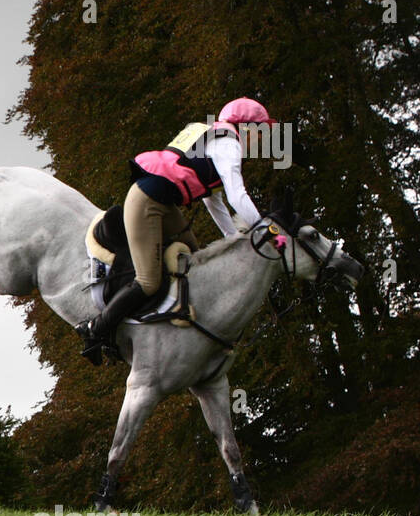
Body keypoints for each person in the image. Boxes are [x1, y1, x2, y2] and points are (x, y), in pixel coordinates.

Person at [75, 97, 274, 364]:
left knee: (196, 258)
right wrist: (264, 231)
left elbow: (211, 199)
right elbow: (237, 195)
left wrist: (234, 237)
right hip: (148, 202)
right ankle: (95, 329)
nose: (263, 140)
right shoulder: (229, 143)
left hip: (162, 202)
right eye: (263, 131)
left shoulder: (213, 133)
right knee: (149, 281)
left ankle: (184, 332)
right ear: (248, 127)